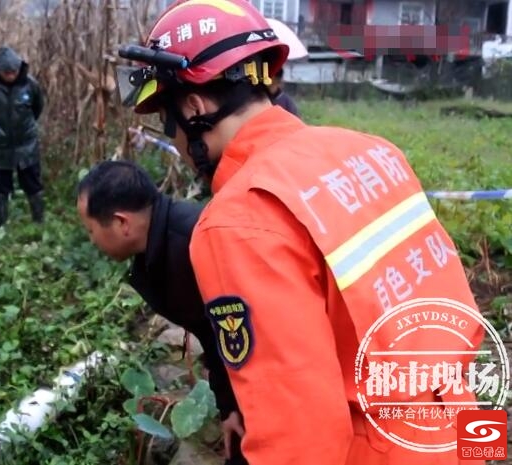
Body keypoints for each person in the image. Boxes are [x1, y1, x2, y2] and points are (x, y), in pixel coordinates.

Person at [116, 1, 486, 464]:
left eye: (169, 129)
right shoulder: (372, 150)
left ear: (194, 108)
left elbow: (300, 438)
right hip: (459, 422)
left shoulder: (238, 220)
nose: (178, 148)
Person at [76, 160, 248, 465]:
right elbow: (212, 332)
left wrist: (248, 409)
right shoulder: (158, 250)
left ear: (121, 223)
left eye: (90, 230)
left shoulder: (198, 241)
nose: (90, 241)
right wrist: (230, 406)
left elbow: (247, 333)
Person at [0, 45, 45, 228]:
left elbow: (38, 108)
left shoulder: (30, 85)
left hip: (26, 144)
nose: (11, 74)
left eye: (14, 71)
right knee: (0, 187)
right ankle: (1, 224)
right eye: (7, 72)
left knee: (33, 184)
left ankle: (39, 223)